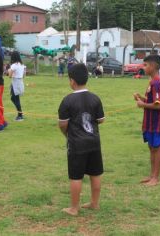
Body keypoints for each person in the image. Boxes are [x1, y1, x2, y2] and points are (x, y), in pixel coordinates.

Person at [58, 63, 105, 216]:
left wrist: (68, 135)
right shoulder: (95, 98)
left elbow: (63, 124)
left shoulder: (67, 101)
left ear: (72, 81)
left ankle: (74, 208)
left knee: (76, 176)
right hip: (94, 141)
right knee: (95, 173)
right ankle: (95, 203)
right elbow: (101, 120)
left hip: (77, 144)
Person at [133, 55, 160, 187]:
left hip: (156, 123)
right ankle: (152, 175)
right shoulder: (152, 82)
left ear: (153, 66)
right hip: (149, 123)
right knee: (152, 148)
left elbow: (159, 105)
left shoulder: (156, 83)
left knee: (156, 149)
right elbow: (153, 102)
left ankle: (156, 178)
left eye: (145, 65)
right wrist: (142, 98)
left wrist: (142, 105)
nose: (143, 67)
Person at [8, 51, 25, 121]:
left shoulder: (14, 65)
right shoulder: (22, 65)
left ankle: (20, 115)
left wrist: (9, 70)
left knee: (16, 99)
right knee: (13, 98)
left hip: (15, 82)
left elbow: (9, 76)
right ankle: (20, 112)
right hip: (20, 82)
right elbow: (24, 75)